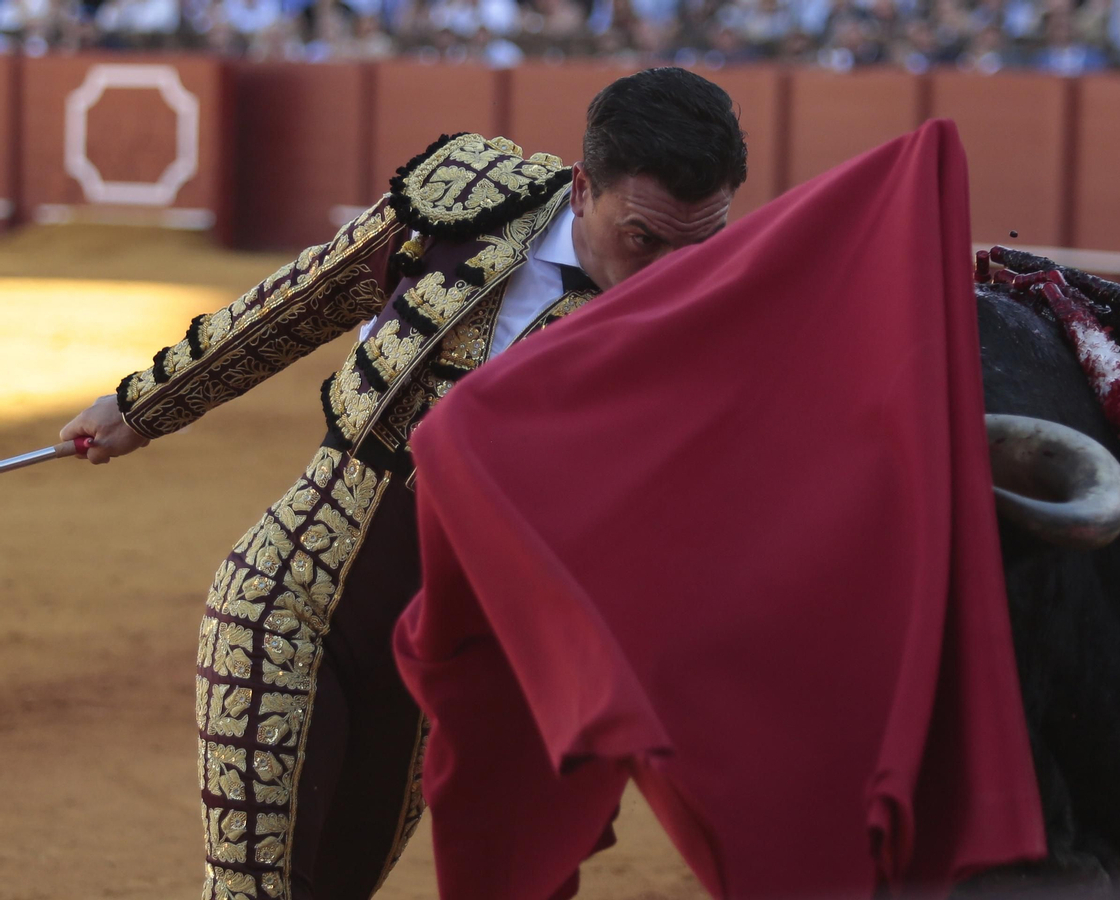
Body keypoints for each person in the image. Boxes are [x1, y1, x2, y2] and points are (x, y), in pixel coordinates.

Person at [58, 66, 747, 900]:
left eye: (698, 247)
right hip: (291, 591)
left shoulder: (715, 331)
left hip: (440, 675)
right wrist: (143, 405)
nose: (671, 275)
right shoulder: (467, 203)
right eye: (645, 239)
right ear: (582, 185)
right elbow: (299, 301)